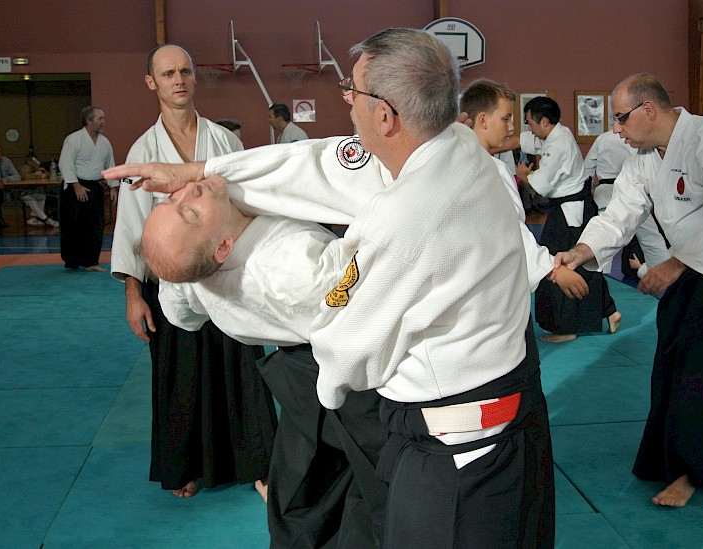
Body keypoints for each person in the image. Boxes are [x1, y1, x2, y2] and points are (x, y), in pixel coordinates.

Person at [105, 28, 556, 548]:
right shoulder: (455, 143)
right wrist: (200, 172)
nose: (346, 101)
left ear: (384, 115)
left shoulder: (392, 224)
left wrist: (326, 385)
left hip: (458, 436)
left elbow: (349, 349)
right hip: (501, 402)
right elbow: (318, 164)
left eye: (351, 91)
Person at [554, 73, 703, 508]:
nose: (616, 128)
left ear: (648, 109)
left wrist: (673, 266)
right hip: (690, 264)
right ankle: (672, 459)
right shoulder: (641, 161)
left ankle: (699, 470)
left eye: (621, 118)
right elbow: (619, 215)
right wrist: (581, 251)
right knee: (672, 360)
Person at [138, 175, 388, 547]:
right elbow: (384, 263)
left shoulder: (194, 275)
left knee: (301, 502)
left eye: (171, 201)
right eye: (190, 211)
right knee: (384, 496)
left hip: (299, 385)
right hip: (355, 376)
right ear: (223, 247)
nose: (188, 189)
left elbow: (181, 316)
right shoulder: (289, 267)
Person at [110, 44, 275, 500]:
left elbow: (246, 206)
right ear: (152, 83)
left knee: (243, 368)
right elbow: (131, 229)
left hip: (225, 274)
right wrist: (133, 295)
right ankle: (183, 464)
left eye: (185, 71)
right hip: (169, 282)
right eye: (168, 74)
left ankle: (258, 463)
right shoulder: (144, 150)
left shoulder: (223, 142)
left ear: (195, 77)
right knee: (179, 376)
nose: (178, 80)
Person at [459, 78, 588, 297]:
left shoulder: (456, 160)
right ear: (483, 120)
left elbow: (518, 141)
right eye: (506, 119)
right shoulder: (491, 170)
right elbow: (511, 228)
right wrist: (551, 269)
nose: (511, 127)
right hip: (495, 276)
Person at [506, 97, 621, 342]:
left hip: (570, 213)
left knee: (555, 263)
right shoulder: (559, 134)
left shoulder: (558, 144)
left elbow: (540, 186)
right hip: (571, 209)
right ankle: (609, 310)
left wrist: (522, 175)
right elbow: (526, 141)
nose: (529, 129)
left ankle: (566, 328)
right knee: (582, 265)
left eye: (530, 123)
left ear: (544, 122)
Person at [583, 130, 668, 278]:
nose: (618, 128)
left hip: (608, 191)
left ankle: (601, 278)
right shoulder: (637, 138)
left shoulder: (602, 138)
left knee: (606, 238)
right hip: (634, 189)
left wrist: (587, 192)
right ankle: (661, 273)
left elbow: (587, 168)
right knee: (650, 237)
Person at [58, 105, 118, 271]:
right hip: (74, 187)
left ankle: (91, 261)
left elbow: (110, 165)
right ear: (88, 121)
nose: (103, 122)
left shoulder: (104, 142)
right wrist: (76, 185)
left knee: (95, 225)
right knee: (73, 225)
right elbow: (65, 163)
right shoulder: (73, 139)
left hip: (95, 187)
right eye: (100, 118)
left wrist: (113, 187)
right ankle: (72, 261)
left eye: (103, 118)